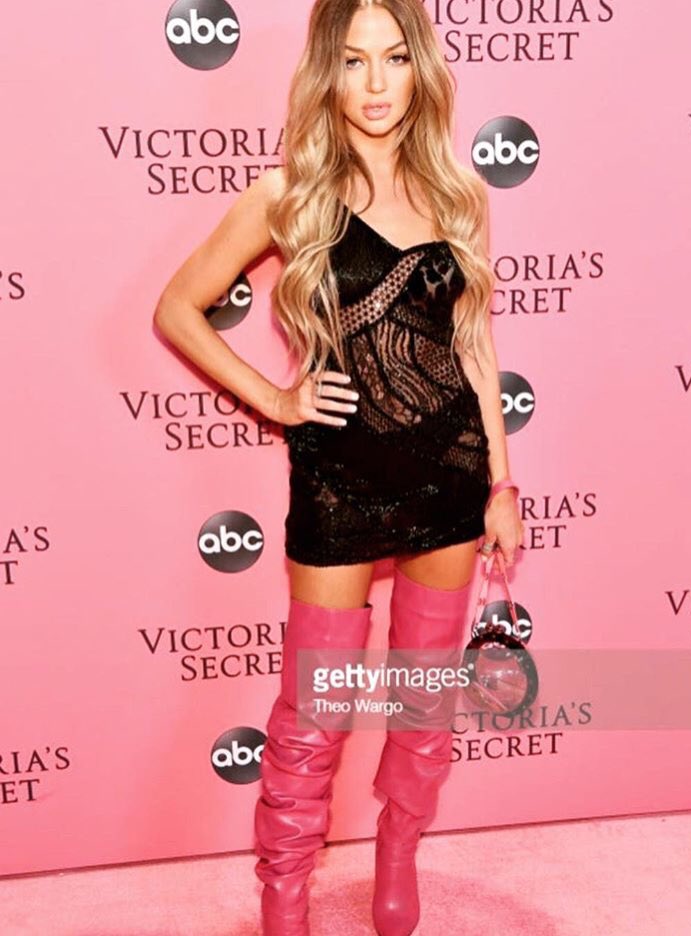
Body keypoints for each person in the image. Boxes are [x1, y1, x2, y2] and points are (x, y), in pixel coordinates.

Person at [153, 0, 524, 932]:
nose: (375, 83)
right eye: (354, 61)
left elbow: (474, 346)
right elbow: (178, 307)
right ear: (327, 72)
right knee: (316, 709)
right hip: (338, 481)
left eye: (393, 58)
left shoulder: (457, 193)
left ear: (419, 69)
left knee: (424, 700)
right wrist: (276, 400)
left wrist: (502, 482)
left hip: (449, 474)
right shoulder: (290, 194)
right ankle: (285, 896)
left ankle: (398, 854)